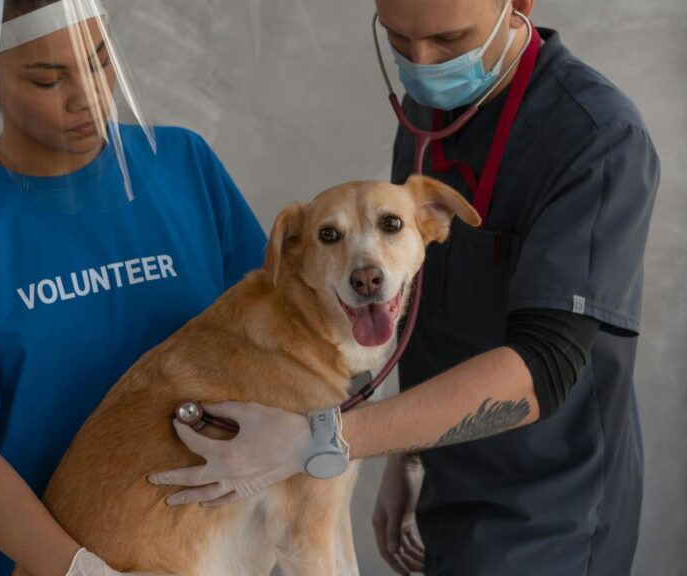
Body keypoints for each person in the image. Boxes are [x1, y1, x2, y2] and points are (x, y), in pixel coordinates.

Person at [149, 1, 660, 574]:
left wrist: (321, 439)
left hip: (550, 512)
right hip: (449, 488)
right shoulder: (431, 111)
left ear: (517, 5)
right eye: (398, 40)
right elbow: (417, 297)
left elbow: (544, 365)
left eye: (448, 40)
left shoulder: (597, 138)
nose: (421, 63)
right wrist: (406, 455)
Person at [0, 1, 266, 574]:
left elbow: (280, 339)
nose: (87, 97)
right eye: (47, 78)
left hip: (211, 550)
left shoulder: (184, 166)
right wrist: (80, 569)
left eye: (100, 60)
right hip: (42, 560)